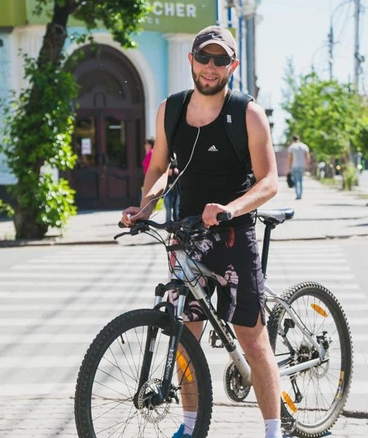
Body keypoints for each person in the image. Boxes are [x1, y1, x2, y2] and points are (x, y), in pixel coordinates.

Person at [121, 25, 282, 438]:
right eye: (204, 58)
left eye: (220, 60)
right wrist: (144, 207)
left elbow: (269, 182)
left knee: (251, 337)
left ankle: (273, 432)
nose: (211, 68)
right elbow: (159, 168)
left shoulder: (246, 112)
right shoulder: (170, 110)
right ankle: (190, 427)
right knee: (182, 338)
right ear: (191, 59)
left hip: (233, 234)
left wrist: (230, 209)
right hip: (187, 235)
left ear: (233, 65)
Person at [286, 135, 310, 200]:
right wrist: (307, 166)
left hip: (295, 166)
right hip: (302, 166)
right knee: (301, 180)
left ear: (293, 140)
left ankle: (298, 195)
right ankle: (300, 195)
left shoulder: (292, 147)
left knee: (296, 181)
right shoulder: (304, 146)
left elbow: (290, 158)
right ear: (299, 139)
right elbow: (307, 157)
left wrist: (288, 167)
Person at [164, 154, 180, 222]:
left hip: (176, 188)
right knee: (168, 209)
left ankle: (177, 223)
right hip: (168, 188)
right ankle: (168, 224)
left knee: (176, 207)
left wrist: (176, 170)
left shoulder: (178, 160)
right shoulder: (165, 159)